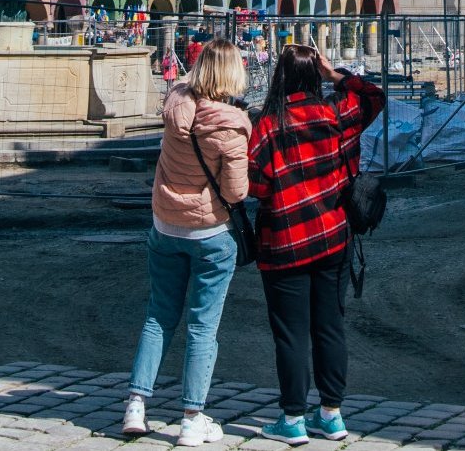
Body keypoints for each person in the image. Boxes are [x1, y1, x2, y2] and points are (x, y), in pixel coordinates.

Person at [248, 45, 387, 446]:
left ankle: (292, 419)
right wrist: (336, 76)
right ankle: (331, 414)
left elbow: (256, 185)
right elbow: (375, 96)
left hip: (286, 241)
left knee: (291, 334)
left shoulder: (269, 126)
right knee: (329, 327)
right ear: (314, 77)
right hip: (332, 237)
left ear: (281, 78)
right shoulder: (337, 114)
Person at [123, 39, 249, 446]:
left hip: (165, 226)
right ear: (232, 74)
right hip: (210, 234)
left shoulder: (175, 102)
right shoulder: (230, 127)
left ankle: (136, 405)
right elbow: (235, 193)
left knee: (158, 316)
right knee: (202, 327)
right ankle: (192, 418)